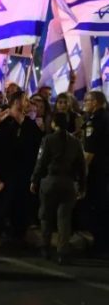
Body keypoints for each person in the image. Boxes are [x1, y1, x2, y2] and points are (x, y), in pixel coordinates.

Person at [0, 91, 43, 245]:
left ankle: (19, 233)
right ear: (17, 102)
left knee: (22, 203)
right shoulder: (4, 122)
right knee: (3, 202)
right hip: (5, 171)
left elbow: (38, 146)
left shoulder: (30, 125)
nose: (28, 103)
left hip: (24, 171)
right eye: (25, 100)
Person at [30, 113, 86, 265]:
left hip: (50, 181)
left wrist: (34, 180)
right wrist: (82, 185)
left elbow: (41, 162)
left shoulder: (48, 139)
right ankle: (62, 252)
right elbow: (81, 166)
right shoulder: (75, 142)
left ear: (54, 123)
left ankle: (45, 247)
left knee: (46, 216)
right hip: (68, 183)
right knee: (64, 219)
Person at [79, 91, 109, 250]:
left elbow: (89, 152)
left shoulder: (95, 121)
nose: (85, 103)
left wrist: (80, 172)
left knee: (96, 206)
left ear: (96, 102)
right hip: (105, 168)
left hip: (97, 170)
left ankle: (100, 243)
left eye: (87, 100)